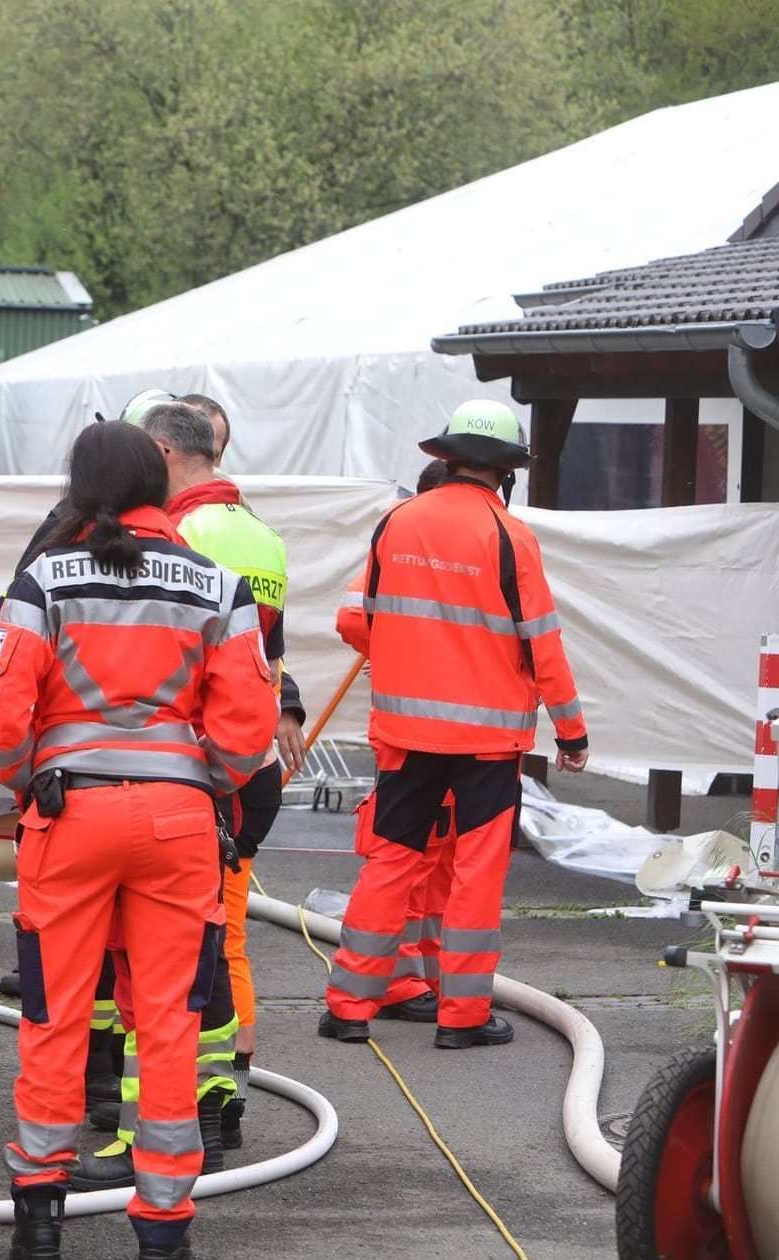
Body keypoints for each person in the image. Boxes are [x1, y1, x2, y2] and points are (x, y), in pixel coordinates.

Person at [0, 419, 276, 1260]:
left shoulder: (43, 579)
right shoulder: (216, 582)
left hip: (68, 817)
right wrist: (193, 777)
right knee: (171, 1024)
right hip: (180, 825)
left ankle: (38, 1223)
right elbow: (249, 734)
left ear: (81, 489)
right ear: (160, 484)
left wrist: (34, 775)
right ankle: (163, 1230)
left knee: (54, 1016)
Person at [320, 400, 589, 1049]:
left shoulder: (397, 524)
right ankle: (462, 1018)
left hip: (406, 734)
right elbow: (542, 642)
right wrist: (571, 729)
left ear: (448, 456)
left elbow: (357, 619)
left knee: (389, 864)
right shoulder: (509, 537)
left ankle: (349, 1007)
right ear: (506, 470)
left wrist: (410, 652)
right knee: (475, 874)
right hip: (488, 744)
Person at [145, 398, 306, 1153]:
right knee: (228, 928)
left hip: (193, 763)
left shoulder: (177, 535)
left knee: (173, 939)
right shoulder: (262, 537)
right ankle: (231, 1089)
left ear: (165, 454)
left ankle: (186, 1095)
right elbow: (267, 658)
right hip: (255, 762)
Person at [336, 458, 454, 1024]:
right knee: (409, 862)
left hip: (457, 734)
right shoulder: (403, 534)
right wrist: (403, 649)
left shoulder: (450, 540)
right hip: (418, 737)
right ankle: (398, 980)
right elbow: (353, 614)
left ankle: (424, 976)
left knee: (439, 868)